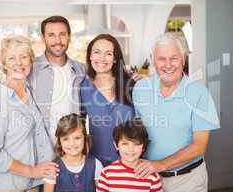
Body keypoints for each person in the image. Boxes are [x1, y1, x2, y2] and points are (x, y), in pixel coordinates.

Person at [132, 32, 220, 191]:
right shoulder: (140, 89)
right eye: (161, 59)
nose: (168, 65)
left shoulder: (199, 93)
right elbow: (138, 133)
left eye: (174, 58)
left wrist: (160, 164)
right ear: (153, 60)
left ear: (183, 59)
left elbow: (199, 146)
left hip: (187, 180)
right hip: (148, 179)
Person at [0, 16, 85, 143]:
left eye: (62, 34)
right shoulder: (29, 66)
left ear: (69, 37)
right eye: (51, 35)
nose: (58, 40)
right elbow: (8, 85)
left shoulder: (81, 70)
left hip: (71, 148)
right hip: (40, 150)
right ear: (43, 38)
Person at [0, 36, 58, 192]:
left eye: (24, 57)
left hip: (33, 184)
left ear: (31, 61)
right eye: (11, 58)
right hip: (8, 186)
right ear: (4, 64)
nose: (19, 63)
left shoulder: (29, 92)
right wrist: (32, 171)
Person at [80, 34, 136, 166]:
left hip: (132, 161)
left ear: (115, 58)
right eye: (97, 52)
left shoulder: (132, 84)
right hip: (98, 163)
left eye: (108, 54)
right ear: (90, 56)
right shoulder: (83, 86)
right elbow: (79, 124)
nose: (102, 58)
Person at [96, 120, 163, 192]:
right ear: (116, 145)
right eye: (125, 144)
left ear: (143, 147)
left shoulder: (152, 175)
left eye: (136, 144)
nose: (131, 149)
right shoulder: (107, 173)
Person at [43, 113, 103, 192]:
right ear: (59, 141)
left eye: (77, 138)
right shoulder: (53, 167)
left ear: (85, 138)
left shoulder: (95, 164)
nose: (72, 143)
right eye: (66, 139)